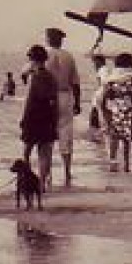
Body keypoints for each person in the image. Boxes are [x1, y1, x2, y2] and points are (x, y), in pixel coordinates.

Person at [43, 27, 82, 188]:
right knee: (66, 134)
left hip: (48, 97)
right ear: (60, 40)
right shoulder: (68, 56)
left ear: (47, 39)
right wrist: (78, 103)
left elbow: (29, 75)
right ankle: (67, 171)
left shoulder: (44, 55)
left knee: (47, 136)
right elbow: (76, 83)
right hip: (65, 96)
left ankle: (47, 173)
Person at [102, 52, 132, 173]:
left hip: (118, 111)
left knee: (115, 138)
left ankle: (114, 163)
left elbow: (107, 96)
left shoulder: (112, 79)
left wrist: (108, 111)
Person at [20, 45, 59, 191]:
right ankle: (42, 183)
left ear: (32, 60)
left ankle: (27, 180)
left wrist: (24, 120)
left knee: (26, 151)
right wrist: (54, 120)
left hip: (33, 116)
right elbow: (54, 101)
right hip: (48, 116)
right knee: (45, 153)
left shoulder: (34, 78)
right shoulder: (51, 77)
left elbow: (29, 102)